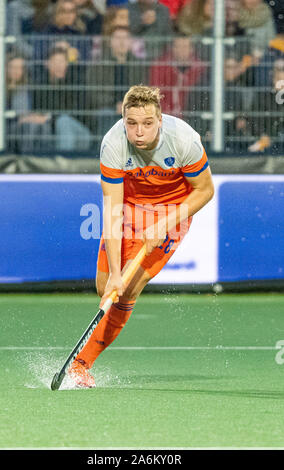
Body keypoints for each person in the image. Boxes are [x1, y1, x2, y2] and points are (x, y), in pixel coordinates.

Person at [68, 85, 214, 388]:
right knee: (106, 287)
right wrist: (115, 274)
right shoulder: (113, 143)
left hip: (174, 209)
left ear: (159, 119)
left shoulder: (184, 139)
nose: (139, 132)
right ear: (123, 120)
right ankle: (114, 290)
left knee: (129, 289)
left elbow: (205, 190)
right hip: (130, 207)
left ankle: (81, 365)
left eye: (147, 123)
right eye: (131, 123)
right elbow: (112, 211)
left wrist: (166, 222)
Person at [23, 47, 91, 153]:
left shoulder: (75, 82)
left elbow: (75, 113)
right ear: (47, 64)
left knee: (63, 121)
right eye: (55, 62)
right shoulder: (40, 84)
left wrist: (49, 117)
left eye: (62, 61)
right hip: (52, 130)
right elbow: (39, 111)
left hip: (80, 133)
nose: (59, 65)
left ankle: (62, 162)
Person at [85, 26, 147, 139]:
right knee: (106, 115)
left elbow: (143, 92)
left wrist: (128, 106)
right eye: (118, 38)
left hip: (132, 108)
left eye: (125, 38)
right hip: (108, 108)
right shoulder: (99, 65)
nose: (122, 42)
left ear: (130, 42)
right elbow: (94, 94)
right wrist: (114, 105)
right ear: (110, 42)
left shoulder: (138, 66)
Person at [149, 34, 207, 117]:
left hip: (192, 115)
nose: (182, 50)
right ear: (172, 48)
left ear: (191, 49)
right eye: (178, 46)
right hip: (166, 115)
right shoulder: (160, 65)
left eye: (185, 46)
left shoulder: (199, 67)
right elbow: (155, 92)